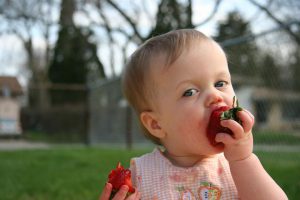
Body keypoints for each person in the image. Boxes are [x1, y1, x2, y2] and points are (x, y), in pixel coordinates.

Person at [99, 29, 287, 200]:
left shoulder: (236, 167)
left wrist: (243, 160)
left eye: (220, 83)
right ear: (156, 124)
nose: (215, 95)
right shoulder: (141, 174)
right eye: (189, 92)